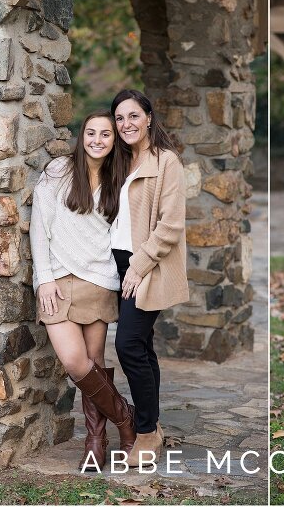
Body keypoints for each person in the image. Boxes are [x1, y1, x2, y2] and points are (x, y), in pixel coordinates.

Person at [30, 110, 135, 471]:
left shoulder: (119, 177)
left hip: (99, 280)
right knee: (76, 363)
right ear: (82, 135)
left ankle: (95, 439)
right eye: (91, 133)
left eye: (106, 135)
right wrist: (43, 278)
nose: (97, 140)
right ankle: (125, 419)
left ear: (114, 140)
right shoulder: (58, 171)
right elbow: (38, 227)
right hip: (57, 282)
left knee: (96, 365)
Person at [110, 89, 188, 467]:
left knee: (127, 345)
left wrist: (139, 267)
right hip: (116, 262)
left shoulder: (166, 162)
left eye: (133, 116)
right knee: (141, 345)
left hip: (145, 265)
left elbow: (171, 225)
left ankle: (144, 432)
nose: (126, 124)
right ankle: (153, 426)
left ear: (149, 118)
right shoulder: (118, 159)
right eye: (120, 118)